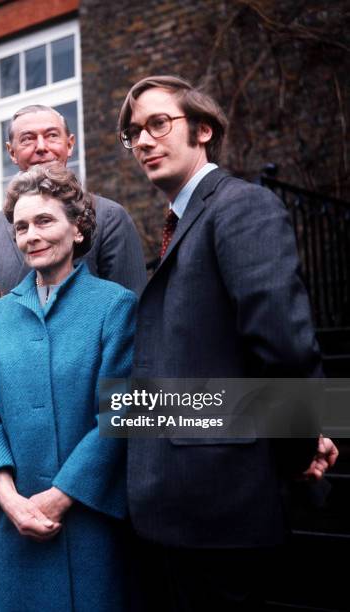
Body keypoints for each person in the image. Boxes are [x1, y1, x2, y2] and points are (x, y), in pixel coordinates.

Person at [117, 75, 339, 611]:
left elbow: (283, 342)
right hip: (173, 511)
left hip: (224, 513)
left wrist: (302, 445)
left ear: (203, 131)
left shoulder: (242, 207)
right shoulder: (182, 223)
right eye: (132, 133)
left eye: (157, 123)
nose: (143, 141)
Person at [0, 163, 137, 611]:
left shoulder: (114, 307)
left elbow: (120, 414)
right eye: (21, 227)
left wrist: (60, 498)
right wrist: (9, 499)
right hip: (11, 527)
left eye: (44, 221)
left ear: (78, 229)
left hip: (86, 525)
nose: (30, 235)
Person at [0, 104, 147, 295]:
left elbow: (132, 309)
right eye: (27, 139)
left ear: (70, 144)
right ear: (12, 152)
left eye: (52, 136)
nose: (41, 147)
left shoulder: (110, 216)